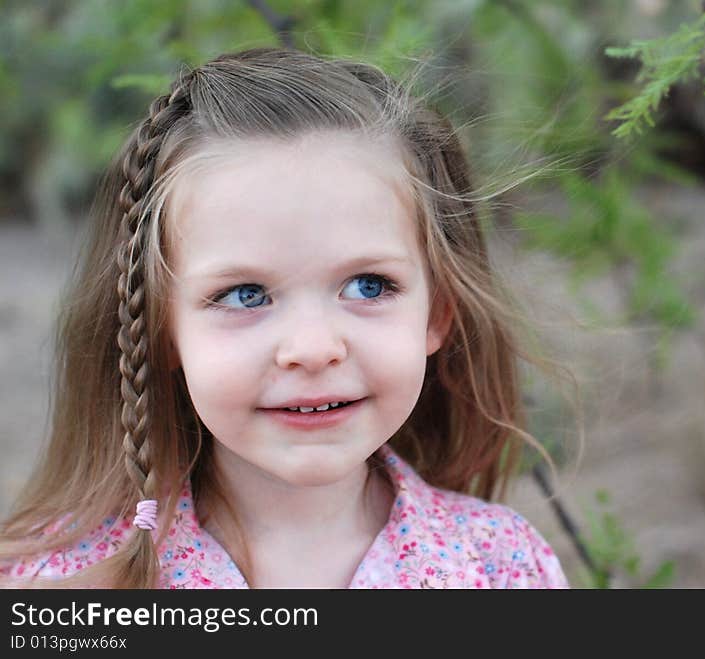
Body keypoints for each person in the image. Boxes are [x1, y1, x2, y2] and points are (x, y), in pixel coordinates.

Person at [0, 47, 576, 589]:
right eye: (246, 295)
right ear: (159, 328)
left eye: (368, 285)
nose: (313, 347)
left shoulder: (503, 568)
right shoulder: (58, 579)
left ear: (438, 312)